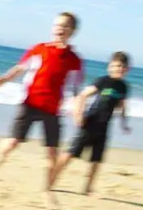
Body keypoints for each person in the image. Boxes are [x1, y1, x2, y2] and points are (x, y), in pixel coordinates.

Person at [0, 12, 85, 202]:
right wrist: (4, 79)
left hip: (52, 109)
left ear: (72, 31)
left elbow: (76, 88)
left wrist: (77, 109)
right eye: (57, 25)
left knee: (52, 151)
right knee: (13, 141)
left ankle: (47, 188)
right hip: (30, 102)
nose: (60, 29)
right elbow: (20, 68)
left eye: (65, 26)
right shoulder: (39, 49)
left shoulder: (74, 60)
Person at [54, 51, 132, 195]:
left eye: (122, 67)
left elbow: (122, 105)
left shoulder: (124, 87)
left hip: (104, 126)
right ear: (110, 67)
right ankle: (52, 179)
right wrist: (78, 114)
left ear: (128, 69)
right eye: (116, 66)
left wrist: (124, 123)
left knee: (97, 160)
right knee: (71, 153)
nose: (119, 69)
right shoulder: (103, 81)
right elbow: (83, 95)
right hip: (90, 123)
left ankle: (88, 188)